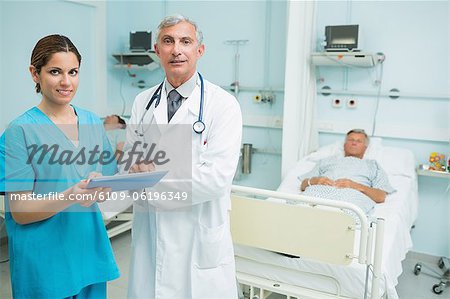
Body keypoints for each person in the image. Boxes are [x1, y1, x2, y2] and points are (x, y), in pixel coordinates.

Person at [123, 14, 242, 298]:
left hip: (198, 235)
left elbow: (215, 179)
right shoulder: (143, 102)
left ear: (199, 50)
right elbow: (131, 163)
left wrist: (152, 177)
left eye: (185, 41)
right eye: (168, 41)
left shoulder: (223, 105)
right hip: (151, 232)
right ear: (157, 51)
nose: (176, 49)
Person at [0, 34, 119, 298]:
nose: (66, 82)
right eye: (55, 72)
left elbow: (108, 183)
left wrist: (102, 186)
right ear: (35, 73)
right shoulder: (20, 132)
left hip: (89, 251)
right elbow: (19, 211)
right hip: (46, 263)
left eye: (73, 72)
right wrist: (69, 196)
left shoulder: (90, 121)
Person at [299, 129, 395, 213]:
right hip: (317, 194)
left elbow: (380, 196)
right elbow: (303, 185)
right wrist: (314, 181)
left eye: (359, 141)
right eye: (351, 140)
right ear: (345, 145)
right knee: (298, 208)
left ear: (365, 148)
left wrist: (355, 186)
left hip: (351, 198)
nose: (354, 143)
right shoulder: (326, 160)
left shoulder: (373, 165)